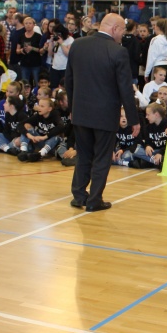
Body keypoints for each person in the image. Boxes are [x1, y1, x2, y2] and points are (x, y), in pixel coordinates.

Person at [63, 14, 140, 213]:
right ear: (115, 29)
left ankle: (79, 196)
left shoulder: (78, 45)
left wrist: (72, 109)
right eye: (122, 30)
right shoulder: (118, 51)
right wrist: (134, 119)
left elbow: (68, 80)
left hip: (80, 113)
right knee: (102, 158)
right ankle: (94, 200)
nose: (123, 35)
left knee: (83, 155)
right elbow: (125, 89)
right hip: (105, 115)